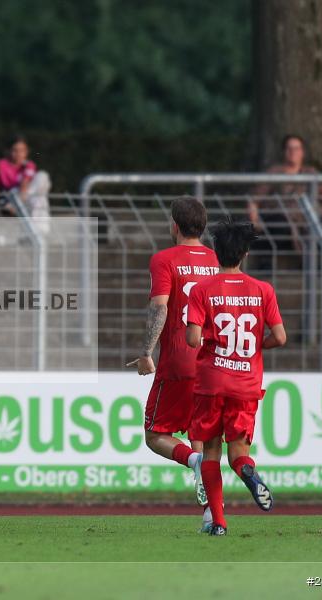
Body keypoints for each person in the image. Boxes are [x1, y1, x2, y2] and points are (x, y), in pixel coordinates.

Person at [186, 219, 287, 536]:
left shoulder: (203, 290)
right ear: (244, 253)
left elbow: (192, 339)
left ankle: (218, 522)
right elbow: (280, 337)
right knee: (238, 454)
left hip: (212, 382)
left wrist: (209, 338)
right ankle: (247, 472)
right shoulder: (263, 290)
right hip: (246, 384)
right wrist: (257, 344)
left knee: (210, 452)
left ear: (215, 253)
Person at [129, 197, 219, 529]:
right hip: (214, 362)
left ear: (174, 225)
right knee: (202, 433)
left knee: (155, 434)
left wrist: (145, 353)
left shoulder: (165, 259)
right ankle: (212, 512)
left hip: (180, 360)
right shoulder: (218, 260)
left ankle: (193, 461)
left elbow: (160, 307)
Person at [249, 135, 322, 261]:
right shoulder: (274, 172)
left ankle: (315, 269)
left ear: (302, 152)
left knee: (321, 228)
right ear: (284, 151)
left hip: (307, 221)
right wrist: (256, 223)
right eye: (289, 148)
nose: (293, 152)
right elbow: (254, 200)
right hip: (281, 221)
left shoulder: (311, 173)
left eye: (296, 148)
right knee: (279, 226)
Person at [0, 135, 51, 234]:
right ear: (7, 151)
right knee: (38, 196)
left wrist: (20, 199)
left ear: (26, 152)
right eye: (15, 150)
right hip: (10, 195)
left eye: (22, 150)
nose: (18, 154)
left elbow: (25, 183)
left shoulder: (29, 165)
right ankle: (39, 232)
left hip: (22, 197)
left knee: (42, 177)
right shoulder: (1, 164)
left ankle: (36, 231)